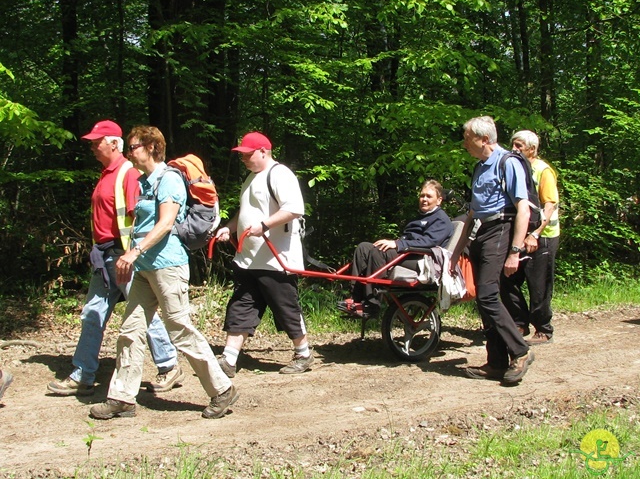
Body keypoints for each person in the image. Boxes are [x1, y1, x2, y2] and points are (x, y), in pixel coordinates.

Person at [89, 126, 237, 420]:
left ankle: (221, 389)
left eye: (132, 147)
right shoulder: (144, 181)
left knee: (180, 330)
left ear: (152, 148)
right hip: (144, 269)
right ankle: (121, 397)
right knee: (130, 332)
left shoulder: (168, 179)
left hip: (167, 266)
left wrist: (134, 252)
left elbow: (167, 222)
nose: (129, 152)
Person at [47, 120, 181, 397]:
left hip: (123, 256)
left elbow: (142, 218)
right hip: (105, 256)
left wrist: (132, 254)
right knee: (92, 313)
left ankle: (169, 365)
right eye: (93, 142)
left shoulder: (128, 173)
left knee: (141, 313)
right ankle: (83, 374)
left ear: (114, 143)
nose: (94, 146)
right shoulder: (106, 173)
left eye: (98, 141)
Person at [215, 131, 313, 377]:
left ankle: (303, 353)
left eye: (248, 154)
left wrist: (265, 225)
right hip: (249, 259)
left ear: (263, 152)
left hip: (276, 259)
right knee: (241, 305)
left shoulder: (280, 174)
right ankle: (228, 359)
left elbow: (294, 208)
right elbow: (245, 211)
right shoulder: (250, 178)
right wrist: (229, 227)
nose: (244, 159)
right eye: (242, 155)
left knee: (285, 307)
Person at [450, 116, 534, 384]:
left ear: (484, 139)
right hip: (482, 232)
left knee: (487, 295)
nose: (464, 144)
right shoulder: (479, 168)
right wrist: (454, 255)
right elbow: (473, 213)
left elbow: (523, 208)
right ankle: (496, 363)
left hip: (501, 228)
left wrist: (515, 251)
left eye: (467, 138)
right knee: (485, 300)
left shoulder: (507, 162)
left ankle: (520, 351)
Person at [338, 180, 454, 318]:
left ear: (439, 200)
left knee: (379, 252)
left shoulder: (441, 219)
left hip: (424, 259)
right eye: (422, 196)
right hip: (409, 252)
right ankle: (356, 299)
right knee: (364, 248)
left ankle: (372, 304)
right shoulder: (419, 216)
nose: (424, 199)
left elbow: (428, 242)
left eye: (429, 196)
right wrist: (398, 243)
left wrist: (398, 245)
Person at [501, 130, 559, 345]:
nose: (514, 149)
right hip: (517, 234)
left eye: (519, 146)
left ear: (532, 149)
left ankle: (543, 329)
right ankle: (519, 322)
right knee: (507, 278)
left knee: (539, 284)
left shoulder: (542, 170)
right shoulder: (511, 166)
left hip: (542, 236)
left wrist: (535, 234)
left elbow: (550, 205)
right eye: (512, 145)